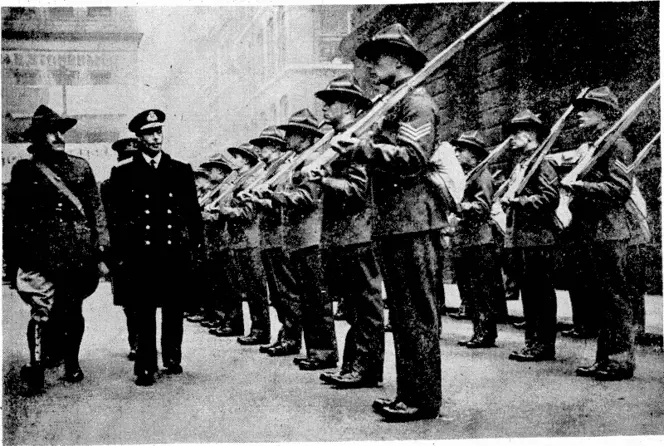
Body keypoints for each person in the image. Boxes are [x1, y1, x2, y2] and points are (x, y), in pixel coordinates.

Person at [347, 24, 446, 421]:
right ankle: (410, 394)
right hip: (393, 222)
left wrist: (364, 150)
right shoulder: (393, 102)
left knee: (416, 312)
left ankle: (421, 398)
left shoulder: (416, 103)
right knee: (402, 313)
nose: (371, 67)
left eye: (379, 59)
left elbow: (412, 157)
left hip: (412, 221)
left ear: (402, 61)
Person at [5, 105, 108, 391]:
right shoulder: (24, 170)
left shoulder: (80, 166)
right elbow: (13, 217)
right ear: (37, 138)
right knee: (41, 311)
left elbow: (96, 209)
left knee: (73, 310)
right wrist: (11, 261)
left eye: (61, 131)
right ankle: (36, 366)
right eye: (52, 131)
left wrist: (100, 247)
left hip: (76, 253)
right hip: (40, 254)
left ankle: (72, 362)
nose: (59, 136)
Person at [107, 109, 203, 386]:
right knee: (144, 311)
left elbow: (192, 214)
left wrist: (196, 248)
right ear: (138, 137)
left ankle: (172, 357)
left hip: (173, 252)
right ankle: (145, 366)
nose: (156, 137)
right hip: (142, 254)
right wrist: (120, 256)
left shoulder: (180, 170)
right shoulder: (124, 173)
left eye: (159, 131)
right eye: (149, 133)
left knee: (173, 308)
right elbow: (117, 220)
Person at [308, 74, 385, 388]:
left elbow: (356, 188)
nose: (325, 108)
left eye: (332, 102)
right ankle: (353, 364)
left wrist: (322, 180)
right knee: (354, 306)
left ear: (351, 105)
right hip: (342, 235)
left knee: (365, 304)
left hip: (358, 233)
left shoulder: (354, 139)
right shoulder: (338, 138)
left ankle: (366, 369)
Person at [562, 87, 638, 381]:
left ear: (604, 114)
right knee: (602, 298)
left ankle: (619, 361)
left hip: (610, 231)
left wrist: (579, 187)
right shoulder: (596, 146)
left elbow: (619, 189)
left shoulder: (617, 145)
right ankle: (605, 358)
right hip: (595, 232)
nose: (579, 114)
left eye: (587, 108)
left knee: (614, 298)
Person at [264, 109, 339, 370]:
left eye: (292, 133)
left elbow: (307, 196)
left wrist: (275, 198)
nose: (287, 138)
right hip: (297, 238)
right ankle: (315, 349)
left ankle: (324, 351)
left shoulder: (313, 160)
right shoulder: (296, 160)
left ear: (305, 137)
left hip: (310, 236)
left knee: (317, 299)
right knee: (306, 298)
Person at [501, 110, 560, 363]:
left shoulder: (541, 163)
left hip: (538, 238)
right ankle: (533, 342)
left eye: (517, 133)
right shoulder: (523, 164)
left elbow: (550, 198)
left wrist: (519, 201)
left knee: (540, 294)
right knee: (530, 293)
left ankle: (543, 344)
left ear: (531, 134)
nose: (511, 138)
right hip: (524, 238)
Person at [451, 131, 499, 348]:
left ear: (473, 154)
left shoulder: (482, 175)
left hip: (480, 240)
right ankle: (479, 331)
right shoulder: (468, 175)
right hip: (468, 240)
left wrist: (459, 208)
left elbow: (482, 207)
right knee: (472, 290)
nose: (457, 153)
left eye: (462, 150)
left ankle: (485, 333)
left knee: (482, 291)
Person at [218, 143, 270, 342]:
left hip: (250, 239)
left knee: (256, 289)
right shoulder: (236, 180)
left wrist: (228, 212)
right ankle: (255, 329)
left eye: (237, 157)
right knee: (247, 286)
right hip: (239, 240)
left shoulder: (250, 180)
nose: (234, 160)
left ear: (247, 160)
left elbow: (248, 213)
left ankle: (260, 330)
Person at [101, 137, 140, 360]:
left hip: (147, 249)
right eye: (125, 159)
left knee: (147, 298)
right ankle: (135, 341)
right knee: (128, 300)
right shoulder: (108, 186)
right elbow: (104, 219)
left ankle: (142, 342)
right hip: (122, 252)